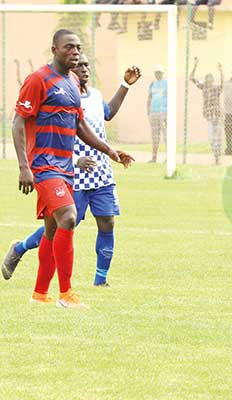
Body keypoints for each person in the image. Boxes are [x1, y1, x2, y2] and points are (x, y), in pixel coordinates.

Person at [8, 30, 133, 308]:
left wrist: (110, 151)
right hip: (43, 165)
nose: (75, 52)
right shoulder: (38, 79)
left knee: (52, 231)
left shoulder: (73, 81)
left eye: (78, 47)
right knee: (69, 216)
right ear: (54, 49)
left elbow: (79, 126)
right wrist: (23, 167)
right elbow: (17, 122)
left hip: (65, 167)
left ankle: (40, 294)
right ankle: (66, 294)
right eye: (69, 47)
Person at [190, 57, 224, 165]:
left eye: (210, 80)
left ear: (213, 81)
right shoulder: (203, 87)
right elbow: (191, 78)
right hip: (209, 116)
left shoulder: (216, 88)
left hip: (217, 116)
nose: (208, 81)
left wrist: (221, 71)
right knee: (211, 138)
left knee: (217, 137)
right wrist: (195, 65)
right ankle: (216, 154)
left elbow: (223, 84)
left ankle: (217, 158)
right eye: (207, 80)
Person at [147, 64, 167, 163]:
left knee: (166, 135)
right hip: (153, 112)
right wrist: (148, 110)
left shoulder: (166, 83)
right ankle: (154, 157)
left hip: (164, 112)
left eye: (159, 72)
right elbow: (149, 97)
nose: (158, 74)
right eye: (156, 72)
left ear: (162, 73)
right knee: (155, 136)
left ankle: (168, 157)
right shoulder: (152, 84)